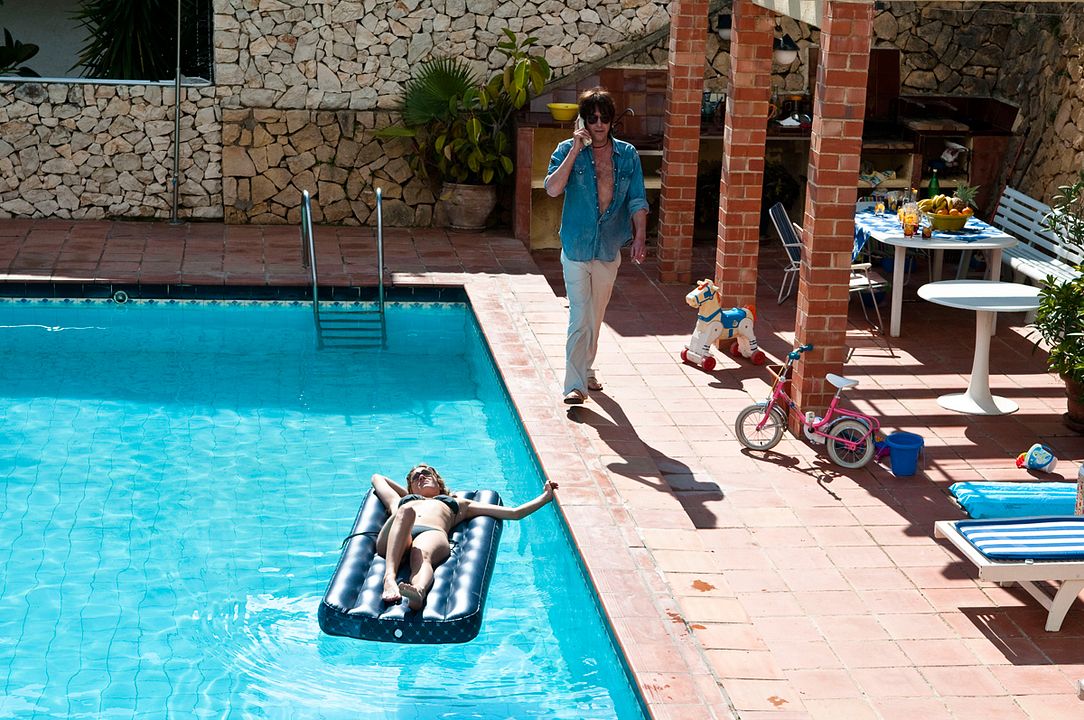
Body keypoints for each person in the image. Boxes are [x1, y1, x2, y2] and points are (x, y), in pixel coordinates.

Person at [544, 87, 649, 406]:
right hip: (576, 245)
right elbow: (551, 189)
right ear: (583, 122)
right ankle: (574, 385)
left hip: (608, 246)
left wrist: (641, 235)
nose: (599, 125)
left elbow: (637, 198)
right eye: (592, 119)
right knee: (579, 315)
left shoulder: (627, 154)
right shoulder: (566, 150)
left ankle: (586, 369)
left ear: (611, 121)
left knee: (594, 314)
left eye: (604, 119)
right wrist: (576, 149)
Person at [370, 464, 558, 610]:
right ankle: (389, 578)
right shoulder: (401, 501)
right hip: (396, 534)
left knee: (422, 557)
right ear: (410, 487)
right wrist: (411, 495)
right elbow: (377, 478)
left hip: (431, 533)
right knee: (406, 511)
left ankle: (418, 592)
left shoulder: (459, 504)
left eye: (426, 474)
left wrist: (545, 497)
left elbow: (514, 513)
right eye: (415, 477)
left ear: (438, 481)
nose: (421, 476)